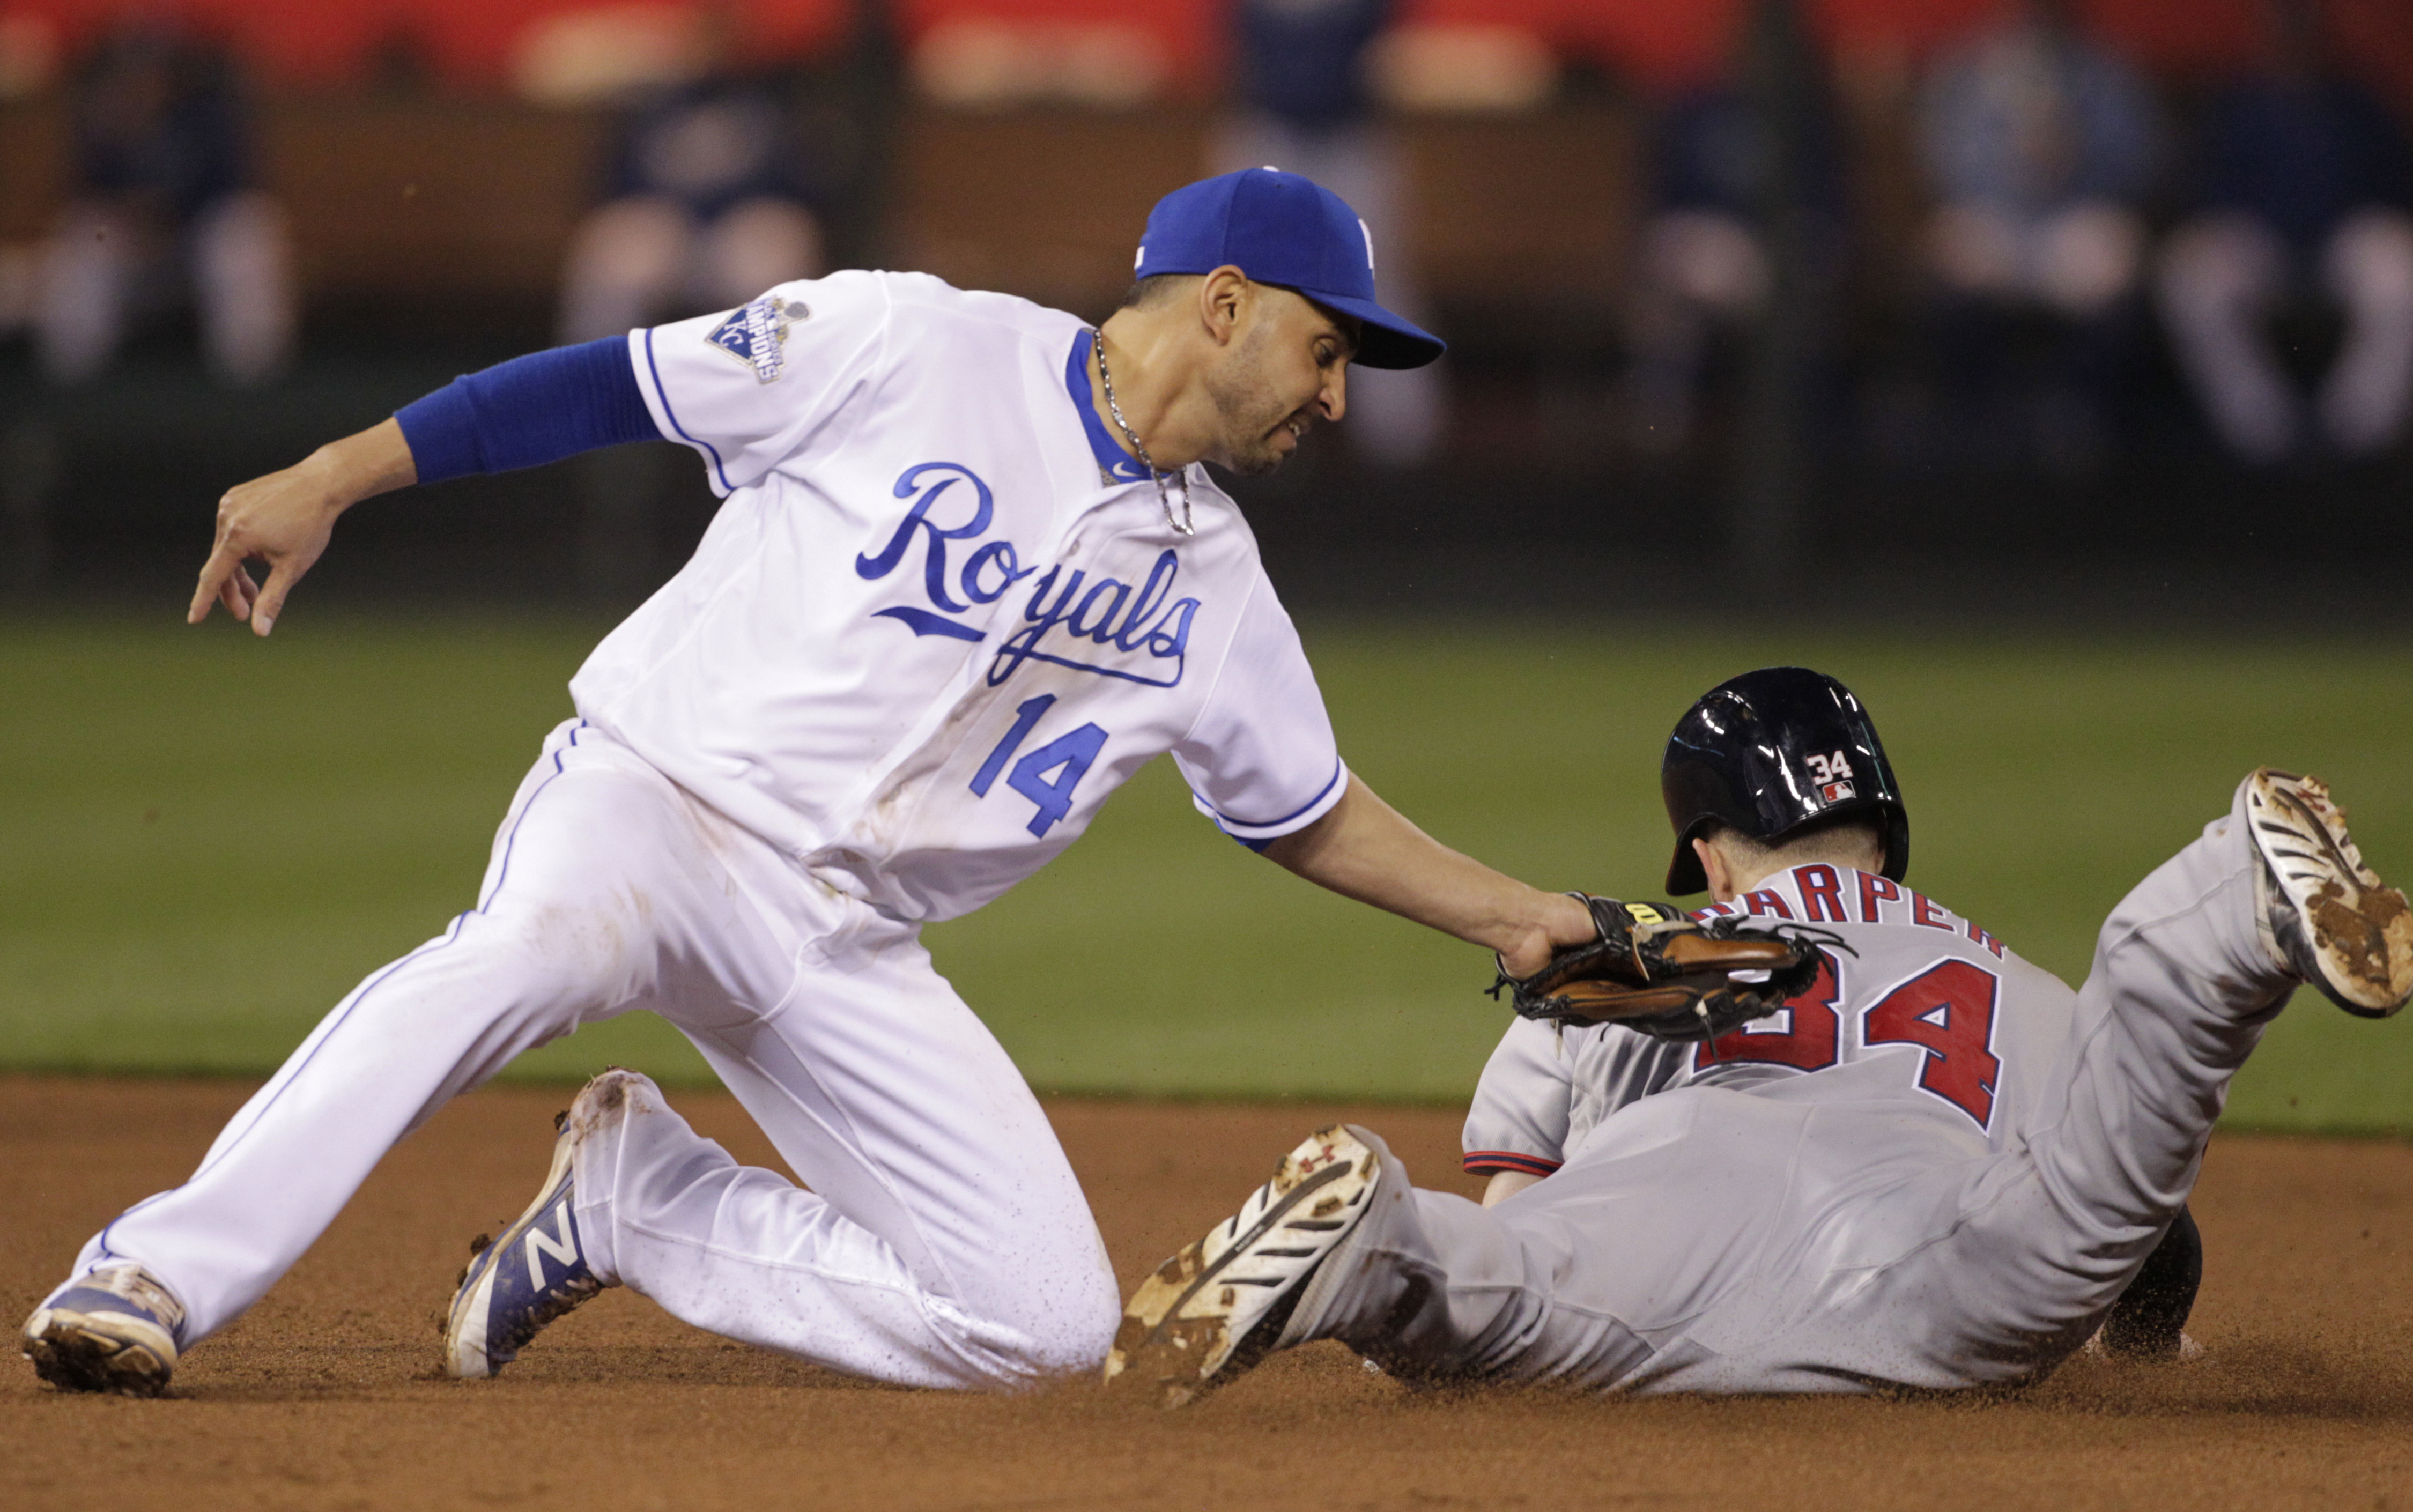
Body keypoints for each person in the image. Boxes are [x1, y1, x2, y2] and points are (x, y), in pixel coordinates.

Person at [17, 167, 1598, 1398]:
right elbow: (608, 386)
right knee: (515, 957)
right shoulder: (911, 341)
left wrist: (1518, 915)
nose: (1339, 394)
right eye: (1329, 350)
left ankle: (640, 1206)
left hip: (839, 946)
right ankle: (146, 1274)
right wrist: (330, 475)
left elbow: (1305, 806)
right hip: (658, 803)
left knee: (1039, 1323)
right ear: (1231, 305)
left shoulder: (1217, 583)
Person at [1105, 666, 2413, 1404]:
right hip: (1938, 1249)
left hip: (1675, 1193)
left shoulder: (1616, 956)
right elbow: (2144, 1239)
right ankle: (2205, 916)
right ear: (1883, 828)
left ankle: (1374, 1240)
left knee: (1493, 1285)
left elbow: (1521, 1197)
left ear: (1703, 852)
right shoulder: (2018, 984)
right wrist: (2140, 1353)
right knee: (2092, 1172)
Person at [2154, 0, 2413, 464]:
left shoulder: (2356, 101)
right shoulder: (2239, 102)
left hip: (2344, 240)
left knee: (2403, 272)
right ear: (2267, 37)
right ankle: (2263, 432)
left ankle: (2356, 429)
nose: (2293, 45)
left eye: (2303, 33)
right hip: (2260, 240)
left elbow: (2395, 187)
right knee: (2192, 276)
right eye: (2283, 33)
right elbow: (2207, 192)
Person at [1915, 0, 2160, 470]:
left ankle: (2077, 411)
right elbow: (1945, 164)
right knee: (1951, 255)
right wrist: (2013, 164)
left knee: (2115, 259)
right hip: (1995, 216)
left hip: (2075, 215)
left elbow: (2138, 164)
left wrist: (2076, 158)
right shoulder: (1971, 68)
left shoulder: (2104, 70)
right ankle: (1982, 414)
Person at [1210, 0, 1441, 467]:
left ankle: (1404, 449)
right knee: (1245, 289)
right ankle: (1243, 441)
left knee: (1378, 286)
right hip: (1266, 129)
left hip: (1352, 135)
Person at [33, 19, 294, 387]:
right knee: (85, 237)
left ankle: (251, 389)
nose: (145, 79)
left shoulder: (209, 106)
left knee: (246, 233)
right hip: (128, 241)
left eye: (155, 68)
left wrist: (171, 216)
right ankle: (74, 393)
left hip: (197, 238)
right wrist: (133, 217)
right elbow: (85, 189)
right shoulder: (103, 111)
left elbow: (234, 183)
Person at [554, 20, 826, 346]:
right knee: (618, 250)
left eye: (726, 39)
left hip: (744, 225)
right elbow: (615, 180)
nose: (714, 51)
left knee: (772, 254)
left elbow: (800, 184)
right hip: (664, 223)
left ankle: (775, 387)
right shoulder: (655, 101)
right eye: (706, 38)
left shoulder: (776, 97)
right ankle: (595, 380)